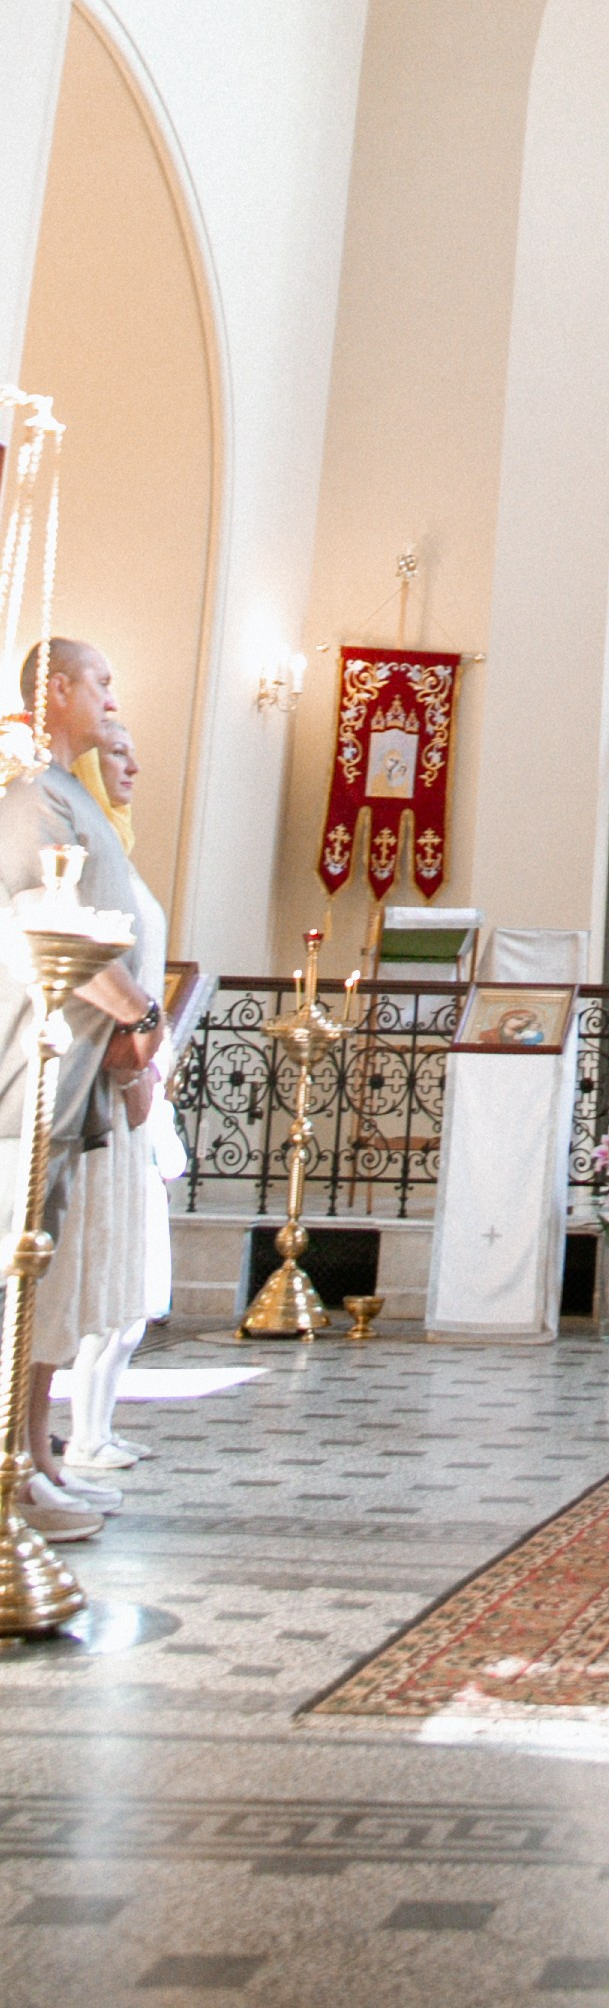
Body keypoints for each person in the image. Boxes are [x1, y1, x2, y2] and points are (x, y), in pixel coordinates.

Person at [0, 638, 160, 1544]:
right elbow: (49, 924)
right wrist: (136, 1016)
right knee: (16, 1272)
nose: (110, 695)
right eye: (99, 679)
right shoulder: (35, 801)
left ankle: (26, 1458)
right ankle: (11, 1474)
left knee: (43, 1278)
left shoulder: (79, 801)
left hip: (71, 1084)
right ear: (54, 689)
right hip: (29, 1071)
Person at [46, 713, 176, 1481]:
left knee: (120, 1270)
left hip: (129, 1075)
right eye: (116, 753)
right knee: (76, 1264)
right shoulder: (78, 853)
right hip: (95, 1077)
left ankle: (80, 1433)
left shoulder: (119, 859)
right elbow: (86, 966)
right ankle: (54, 1442)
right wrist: (133, 1052)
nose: (129, 766)